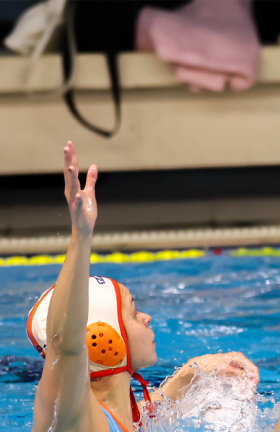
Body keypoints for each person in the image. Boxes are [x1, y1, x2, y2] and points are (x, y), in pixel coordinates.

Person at [27, 141, 260, 432]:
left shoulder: (128, 414)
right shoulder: (77, 417)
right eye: (133, 312)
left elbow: (151, 412)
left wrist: (192, 372)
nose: (146, 317)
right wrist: (80, 236)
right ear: (101, 337)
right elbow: (65, 344)